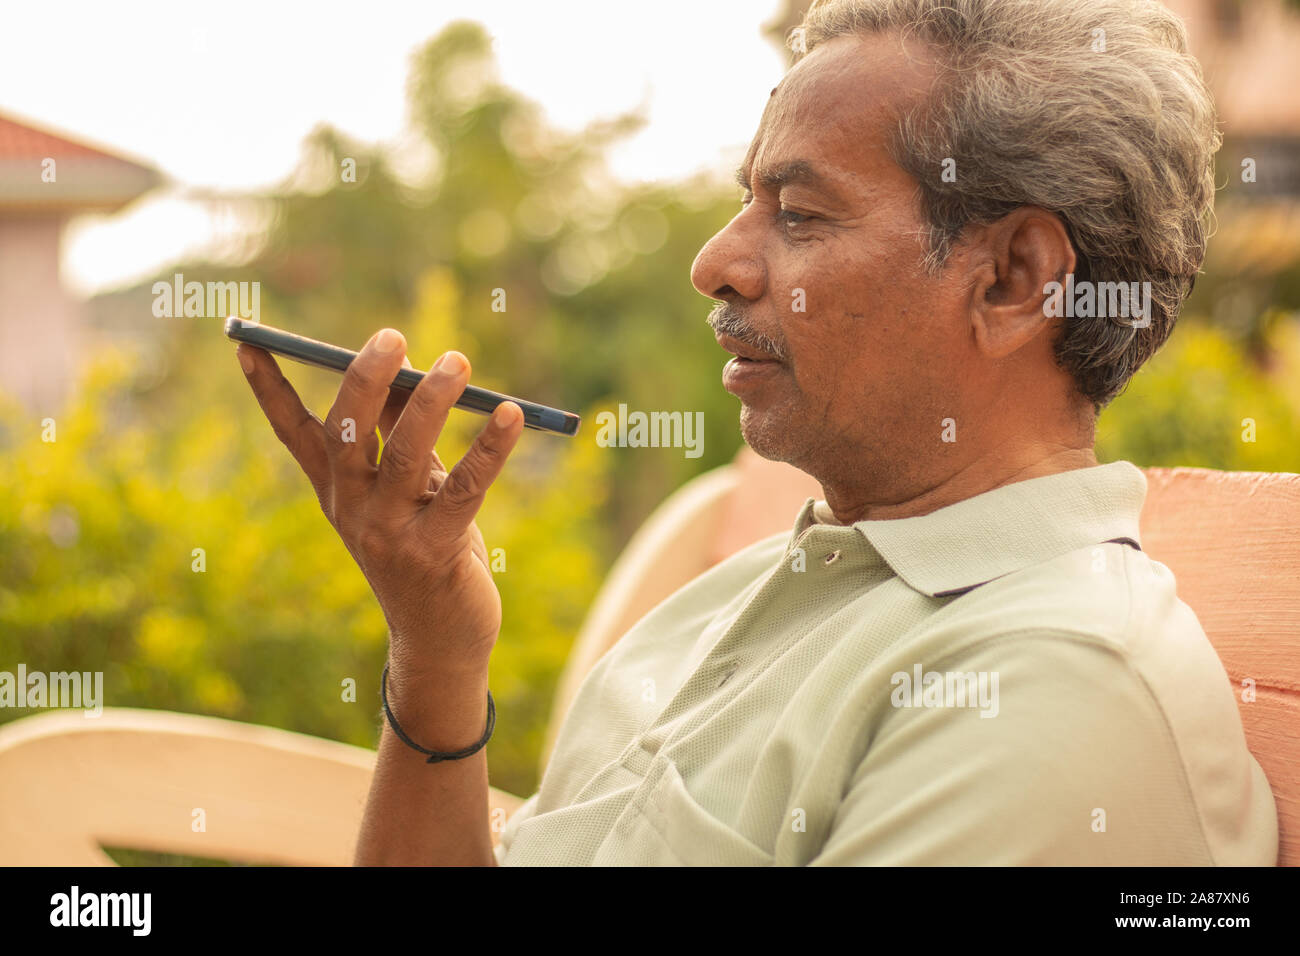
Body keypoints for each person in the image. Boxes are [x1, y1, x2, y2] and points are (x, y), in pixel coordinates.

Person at [236, 0, 1279, 865]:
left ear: (1012, 281)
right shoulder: (750, 591)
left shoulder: (1053, 690)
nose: (716, 263)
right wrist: (436, 648)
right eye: (748, 199)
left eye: (801, 214)